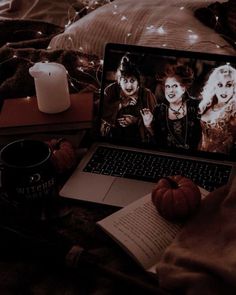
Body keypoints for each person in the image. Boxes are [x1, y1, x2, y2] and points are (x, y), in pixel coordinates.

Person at [142, 63, 201, 151]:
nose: (170, 91)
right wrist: (148, 125)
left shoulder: (197, 106)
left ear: (183, 88)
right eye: (167, 86)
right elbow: (156, 142)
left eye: (175, 86)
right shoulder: (158, 110)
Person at [100, 53, 157, 143]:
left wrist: (136, 120)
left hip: (139, 141)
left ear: (138, 82)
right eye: (125, 81)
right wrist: (120, 104)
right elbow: (102, 113)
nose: (129, 85)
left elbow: (156, 124)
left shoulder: (147, 94)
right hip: (113, 140)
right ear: (119, 81)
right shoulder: (110, 90)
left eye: (132, 80)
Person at [198, 64, 236, 154]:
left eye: (228, 85)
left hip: (220, 161)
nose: (224, 90)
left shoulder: (234, 111)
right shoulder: (207, 105)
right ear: (214, 87)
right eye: (220, 85)